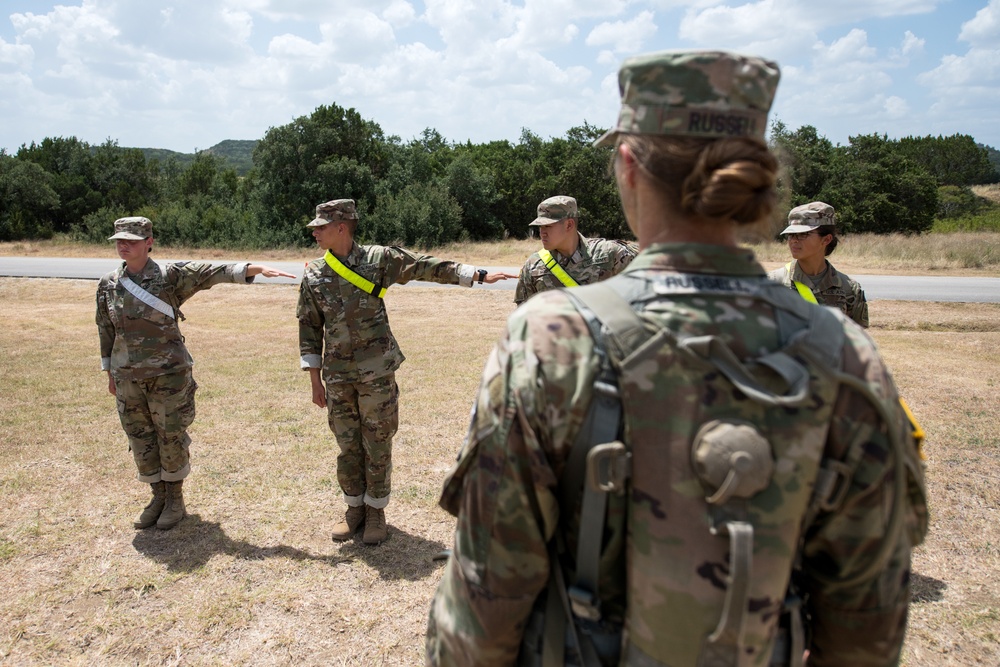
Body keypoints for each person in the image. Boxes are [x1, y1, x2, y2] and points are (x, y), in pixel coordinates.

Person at [427, 50, 927, 666]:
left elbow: (484, 606)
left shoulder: (551, 341)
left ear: (630, 166)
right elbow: (867, 628)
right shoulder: (844, 352)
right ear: (758, 183)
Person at [296, 199, 516, 546]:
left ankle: (376, 511)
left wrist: (476, 274)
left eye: (320, 226)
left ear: (342, 226)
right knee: (347, 444)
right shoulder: (313, 273)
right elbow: (309, 327)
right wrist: (314, 378)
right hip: (337, 376)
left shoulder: (378, 259)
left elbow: (424, 266)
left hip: (377, 372)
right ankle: (353, 508)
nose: (314, 232)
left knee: (377, 441)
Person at [96, 216, 296, 531]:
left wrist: (253, 268)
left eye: (131, 240)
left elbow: (210, 272)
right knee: (140, 438)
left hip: (168, 374)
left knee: (170, 435)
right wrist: (109, 370)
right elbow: (106, 328)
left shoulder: (168, 276)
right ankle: (157, 497)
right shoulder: (109, 283)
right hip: (127, 376)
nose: (124, 246)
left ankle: (175, 500)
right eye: (119, 240)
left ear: (149, 242)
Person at [513, 195, 637, 305]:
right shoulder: (533, 266)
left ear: (569, 225)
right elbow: (524, 318)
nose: (542, 233)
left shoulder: (608, 254)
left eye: (548, 226)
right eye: (540, 227)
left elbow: (645, 292)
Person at [768, 202, 869, 327]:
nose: (794, 240)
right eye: (791, 234)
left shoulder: (849, 290)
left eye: (803, 234)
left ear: (826, 239)